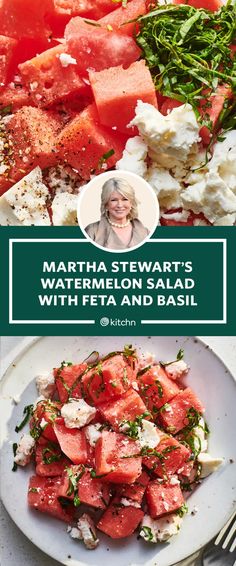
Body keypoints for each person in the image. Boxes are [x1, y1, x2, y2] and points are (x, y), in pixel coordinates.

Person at [85, 178, 149, 250]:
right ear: (106, 204)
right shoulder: (92, 231)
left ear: (131, 203)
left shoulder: (145, 232)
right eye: (114, 200)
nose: (120, 205)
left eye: (125, 199)